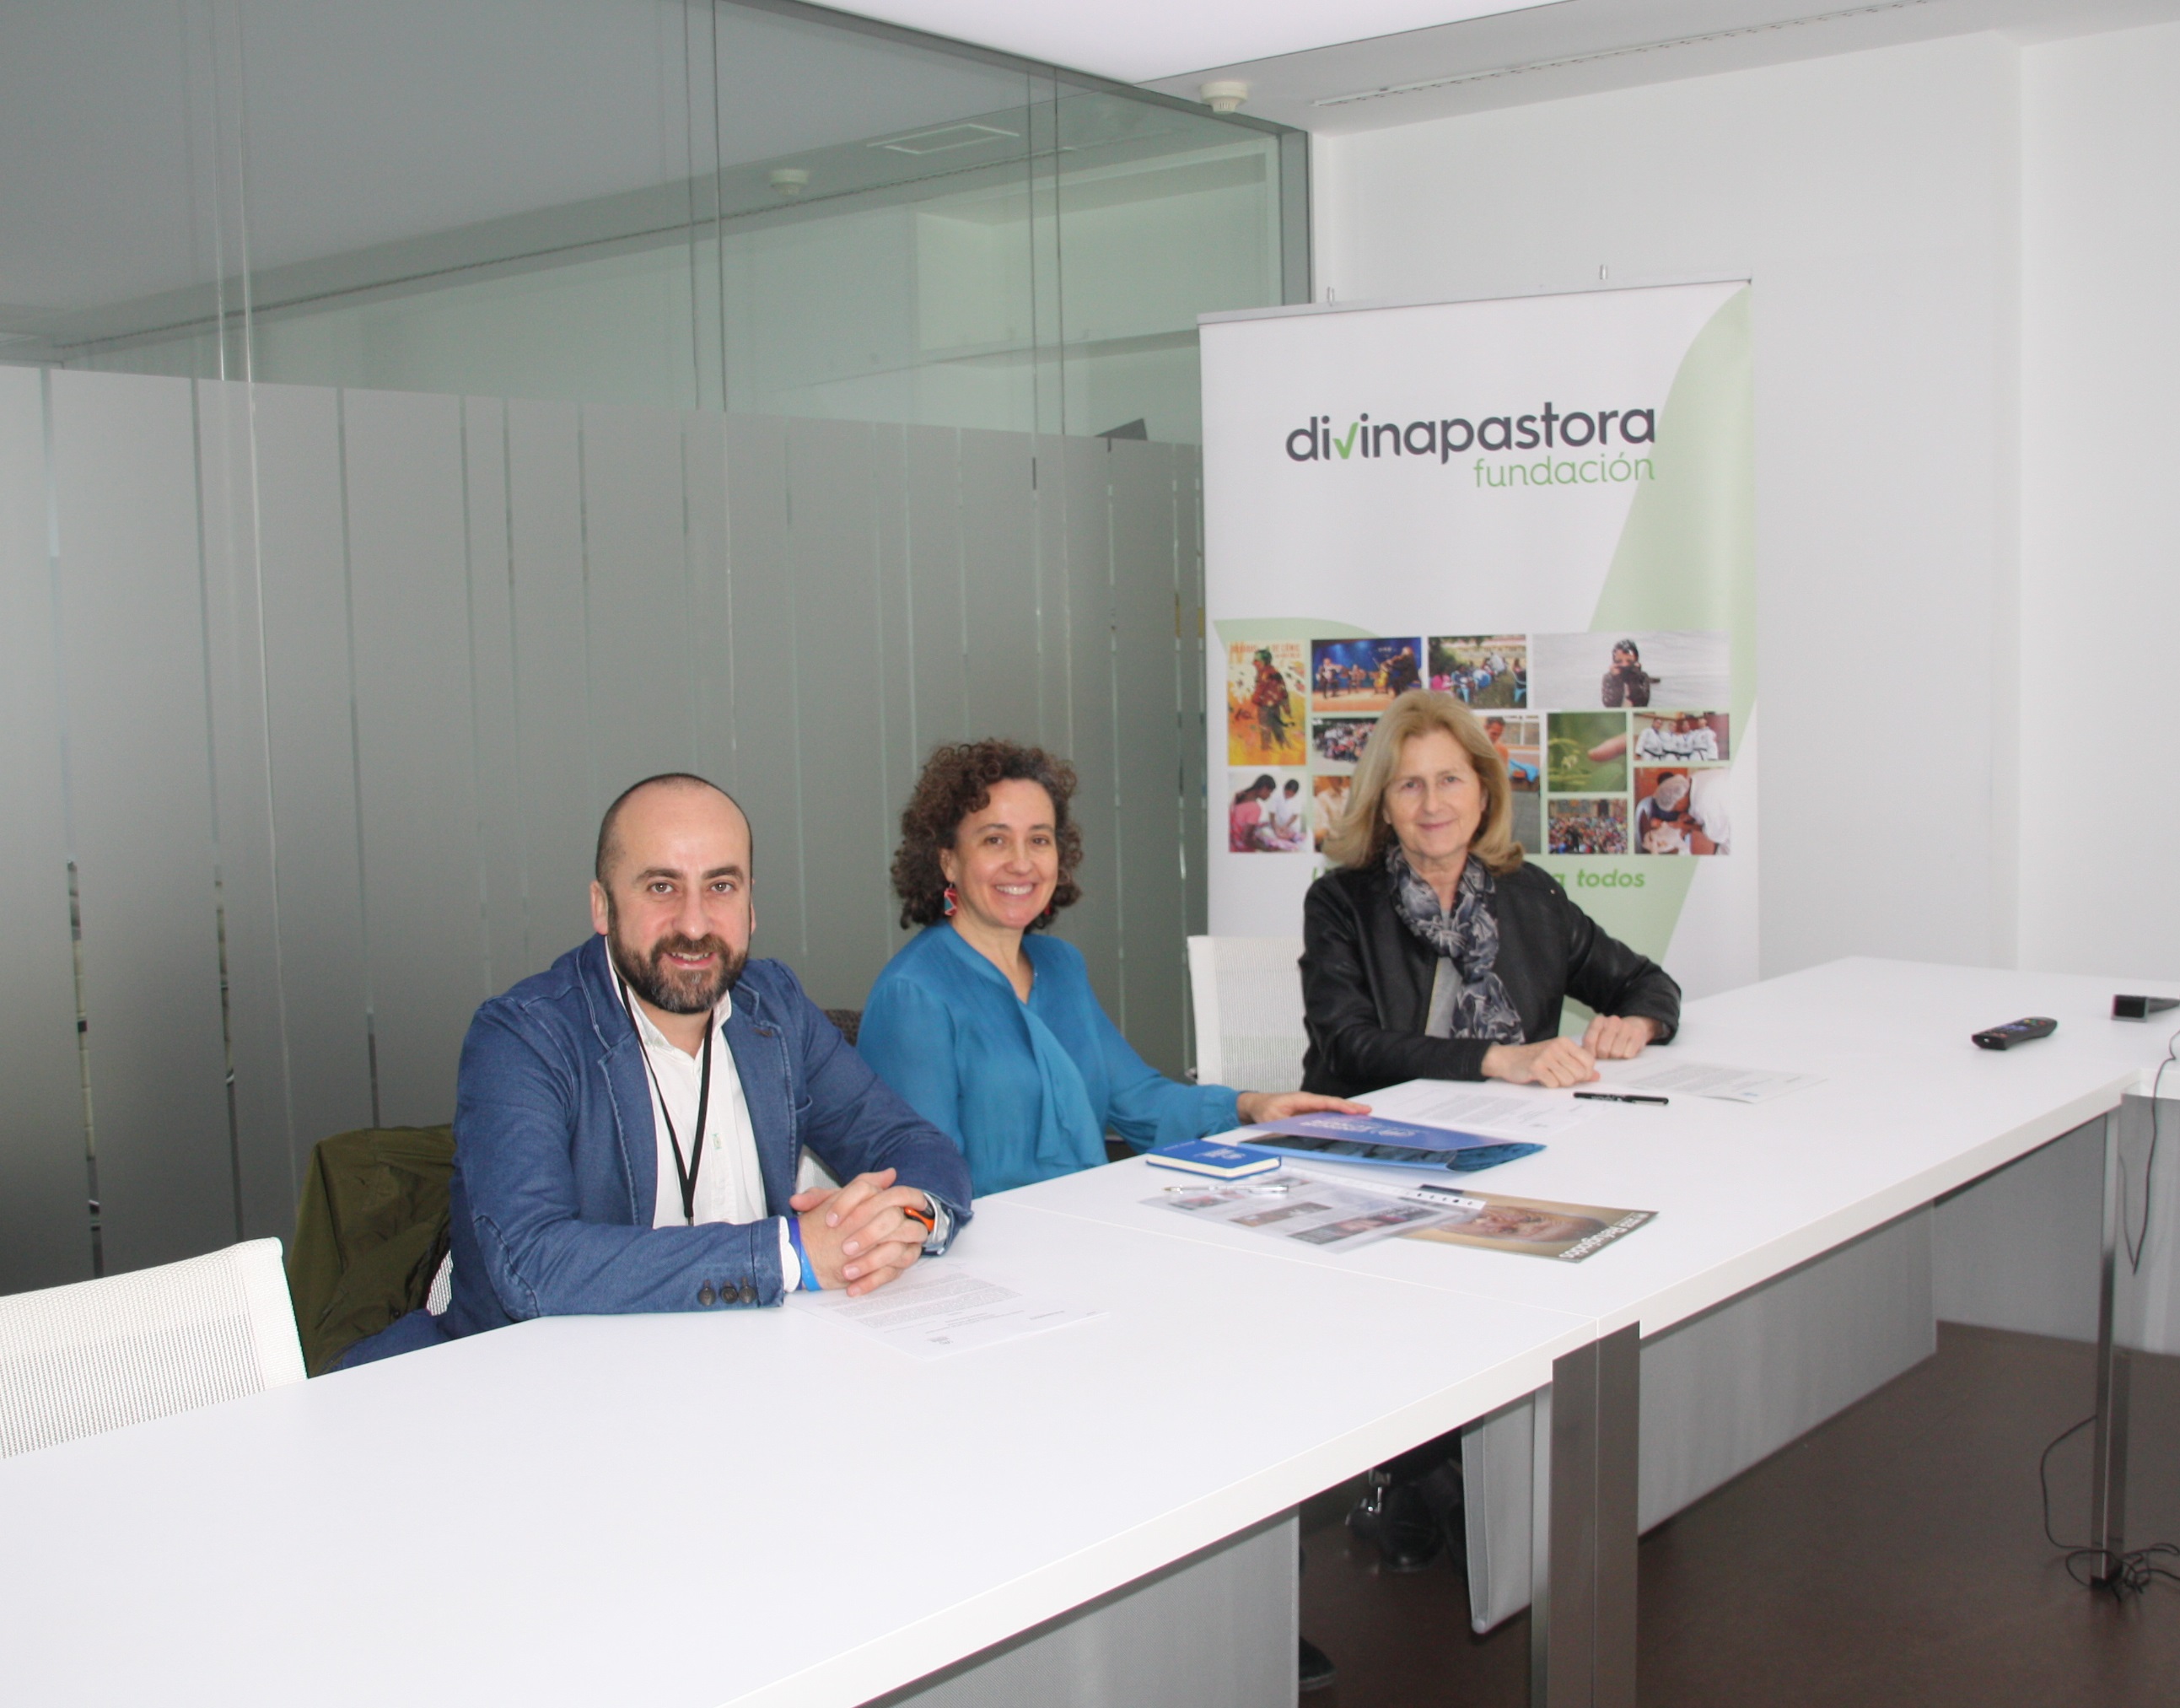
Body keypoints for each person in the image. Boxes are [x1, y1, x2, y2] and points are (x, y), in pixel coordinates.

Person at [432, 773, 972, 1343]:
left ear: (750, 905)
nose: (694, 925)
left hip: (753, 1357)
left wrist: (904, 1222)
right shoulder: (522, 1037)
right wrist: (790, 1253)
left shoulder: (775, 1007)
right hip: (553, 1375)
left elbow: (915, 1146)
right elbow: (532, 1263)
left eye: (720, 886)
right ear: (602, 906)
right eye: (661, 887)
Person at [858, 740, 1366, 1199]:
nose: (1022, 863)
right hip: (987, 1253)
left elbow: (1139, 1101)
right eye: (995, 840)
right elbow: (923, 1185)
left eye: (1039, 839)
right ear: (948, 861)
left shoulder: (1061, 967)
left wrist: (1252, 1106)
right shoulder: (913, 995)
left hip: (1093, 1226)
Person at [1300, 692, 1681, 1096]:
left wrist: (1638, 1025)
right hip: (1371, 1119)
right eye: (1410, 785)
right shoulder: (1341, 901)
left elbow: (1646, 983)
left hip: (1509, 1119)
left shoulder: (1533, 896)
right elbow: (1348, 1043)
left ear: (1483, 794)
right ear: (1384, 807)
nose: (1432, 805)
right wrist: (1496, 1059)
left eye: (1450, 780)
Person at [1600, 637, 1657, 707]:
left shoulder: (1642, 676)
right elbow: (1610, 704)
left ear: (1636, 661)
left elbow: (1642, 703)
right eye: (1619, 661)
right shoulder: (1609, 678)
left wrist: (1635, 677)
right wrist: (1617, 680)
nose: (1624, 665)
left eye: (1629, 661)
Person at [1229, 773, 1275, 851]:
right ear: (1264, 788)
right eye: (1270, 792)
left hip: (1232, 847)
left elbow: (1238, 821)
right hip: (1243, 851)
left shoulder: (1239, 796)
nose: (1269, 796)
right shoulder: (1255, 808)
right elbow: (1246, 838)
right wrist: (1266, 849)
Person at [1267, 777, 1307, 850]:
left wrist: (1286, 826)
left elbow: (1295, 815)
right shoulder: (1276, 793)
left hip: (1293, 825)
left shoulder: (1299, 797)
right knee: (1278, 841)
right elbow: (1272, 813)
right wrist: (1275, 827)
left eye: (1291, 795)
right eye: (1287, 793)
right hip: (1278, 823)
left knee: (1293, 844)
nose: (1288, 796)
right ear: (1284, 788)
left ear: (1295, 794)